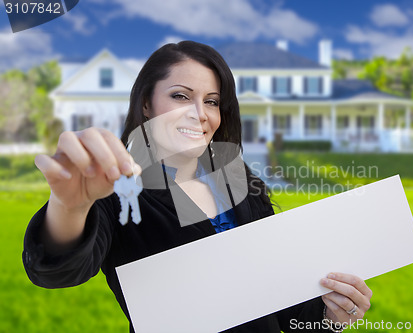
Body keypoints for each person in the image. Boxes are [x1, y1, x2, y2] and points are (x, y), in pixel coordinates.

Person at [23, 41, 372, 332]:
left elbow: (280, 296)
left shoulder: (233, 174)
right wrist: (70, 205)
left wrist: (332, 316)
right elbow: (57, 270)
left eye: (211, 101)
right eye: (180, 96)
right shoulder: (116, 188)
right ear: (146, 104)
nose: (199, 113)